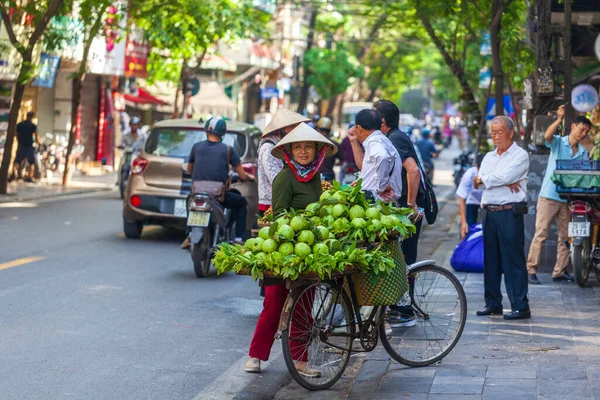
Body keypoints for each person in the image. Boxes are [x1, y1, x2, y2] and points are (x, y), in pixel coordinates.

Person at [246, 122, 337, 376]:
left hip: (310, 249)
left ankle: (301, 361)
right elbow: (280, 215)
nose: (304, 151)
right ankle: (256, 355)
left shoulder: (316, 177)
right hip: (286, 248)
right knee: (274, 303)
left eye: (308, 146)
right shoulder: (285, 177)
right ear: (290, 150)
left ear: (316, 150)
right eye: (298, 147)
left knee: (304, 304)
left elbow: (319, 208)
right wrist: (297, 232)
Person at [527, 106, 592, 285]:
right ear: (573, 127)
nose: (583, 133)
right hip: (549, 196)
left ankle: (559, 271)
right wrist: (558, 119)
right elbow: (546, 136)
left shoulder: (583, 153)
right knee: (541, 233)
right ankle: (531, 269)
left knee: (566, 236)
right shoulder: (558, 142)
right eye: (581, 129)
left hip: (568, 199)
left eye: (586, 132)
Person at [474, 116, 530, 320]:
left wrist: (489, 179)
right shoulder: (489, 157)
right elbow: (478, 181)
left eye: (500, 132)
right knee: (491, 260)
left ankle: (521, 305)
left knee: (513, 260)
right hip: (489, 211)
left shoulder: (520, 155)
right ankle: (493, 303)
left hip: (509, 211)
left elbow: (505, 177)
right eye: (493, 132)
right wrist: (494, 180)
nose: (496, 137)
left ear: (511, 132)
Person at [185, 117, 255, 246]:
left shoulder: (196, 147)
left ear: (206, 131)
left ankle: (188, 234)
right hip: (218, 195)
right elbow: (242, 174)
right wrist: (249, 177)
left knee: (188, 200)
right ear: (223, 134)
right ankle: (239, 238)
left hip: (197, 192)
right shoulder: (228, 150)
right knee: (241, 202)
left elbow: (189, 168)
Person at [373, 100, 424, 265]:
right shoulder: (392, 136)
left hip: (406, 204)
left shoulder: (394, 139)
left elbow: (413, 170)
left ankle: (408, 290)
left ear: (382, 121)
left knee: (405, 259)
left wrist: (410, 204)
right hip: (403, 202)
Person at [257, 109, 310, 216]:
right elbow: (277, 181)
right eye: (292, 127)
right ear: (281, 130)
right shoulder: (268, 148)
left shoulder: (282, 146)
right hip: (271, 205)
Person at [347, 109, 402, 202]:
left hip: (377, 203)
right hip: (380, 202)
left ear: (359, 128)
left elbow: (382, 157)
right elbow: (368, 167)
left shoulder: (374, 142)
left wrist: (382, 187)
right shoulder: (381, 140)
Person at [456, 154, 484, 238]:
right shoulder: (469, 174)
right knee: (470, 226)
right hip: (472, 201)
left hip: (487, 202)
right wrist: (464, 222)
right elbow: (462, 199)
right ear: (476, 166)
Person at [11, 111, 40, 182]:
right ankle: (30, 177)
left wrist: (19, 141)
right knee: (31, 162)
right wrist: (39, 143)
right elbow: (36, 136)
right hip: (29, 146)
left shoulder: (20, 124)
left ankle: (14, 174)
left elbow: (16, 135)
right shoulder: (33, 126)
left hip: (21, 145)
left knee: (17, 161)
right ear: (32, 117)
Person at [316, 117, 344, 181]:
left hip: (315, 176)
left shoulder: (312, 143)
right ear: (330, 129)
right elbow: (342, 160)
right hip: (329, 175)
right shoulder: (335, 144)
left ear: (318, 129)